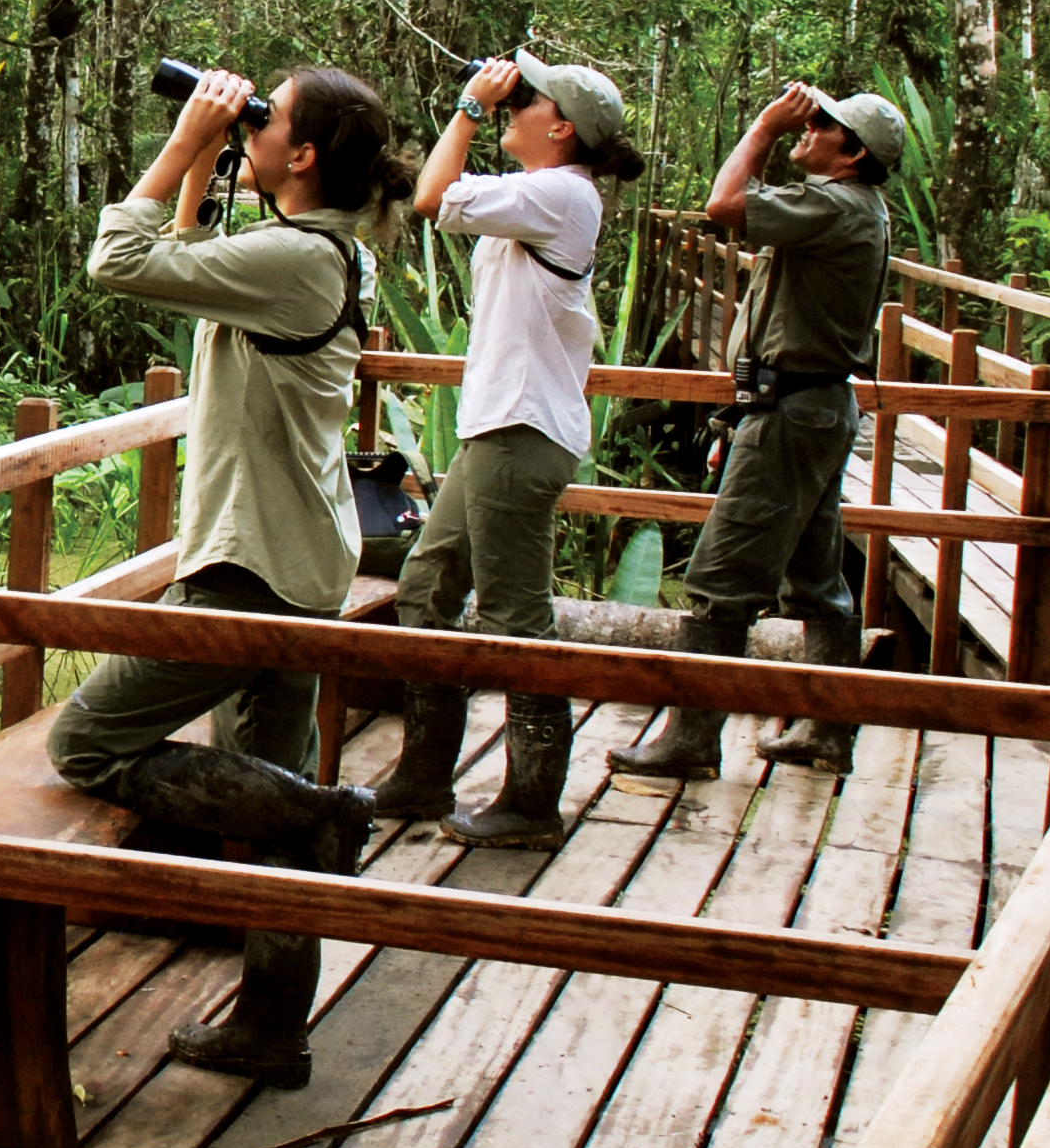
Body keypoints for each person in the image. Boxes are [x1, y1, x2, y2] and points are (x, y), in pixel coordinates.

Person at [46, 63, 398, 1089]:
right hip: (298, 557)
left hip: (248, 570)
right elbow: (187, 254)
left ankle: (320, 812)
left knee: (88, 741)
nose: (248, 122)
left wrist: (179, 146)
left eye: (265, 118)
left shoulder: (294, 258)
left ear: (302, 157)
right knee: (261, 782)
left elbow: (119, 259)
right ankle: (268, 1026)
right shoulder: (319, 250)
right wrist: (206, 147)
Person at [372, 53, 649, 845]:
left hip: (523, 433)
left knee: (517, 616)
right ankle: (423, 777)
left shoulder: (560, 193)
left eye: (526, 100)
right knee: (427, 586)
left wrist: (467, 104)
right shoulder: (544, 195)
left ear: (560, 128)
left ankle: (532, 802)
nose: (511, 106)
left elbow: (431, 196)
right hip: (497, 429)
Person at [608, 80, 908, 783]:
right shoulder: (849, 206)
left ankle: (690, 739)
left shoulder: (838, 204)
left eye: (823, 125)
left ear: (853, 151)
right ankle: (828, 729)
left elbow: (723, 206)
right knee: (817, 582)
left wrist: (767, 129)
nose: (809, 128)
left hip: (793, 415)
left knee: (719, 584)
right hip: (810, 408)